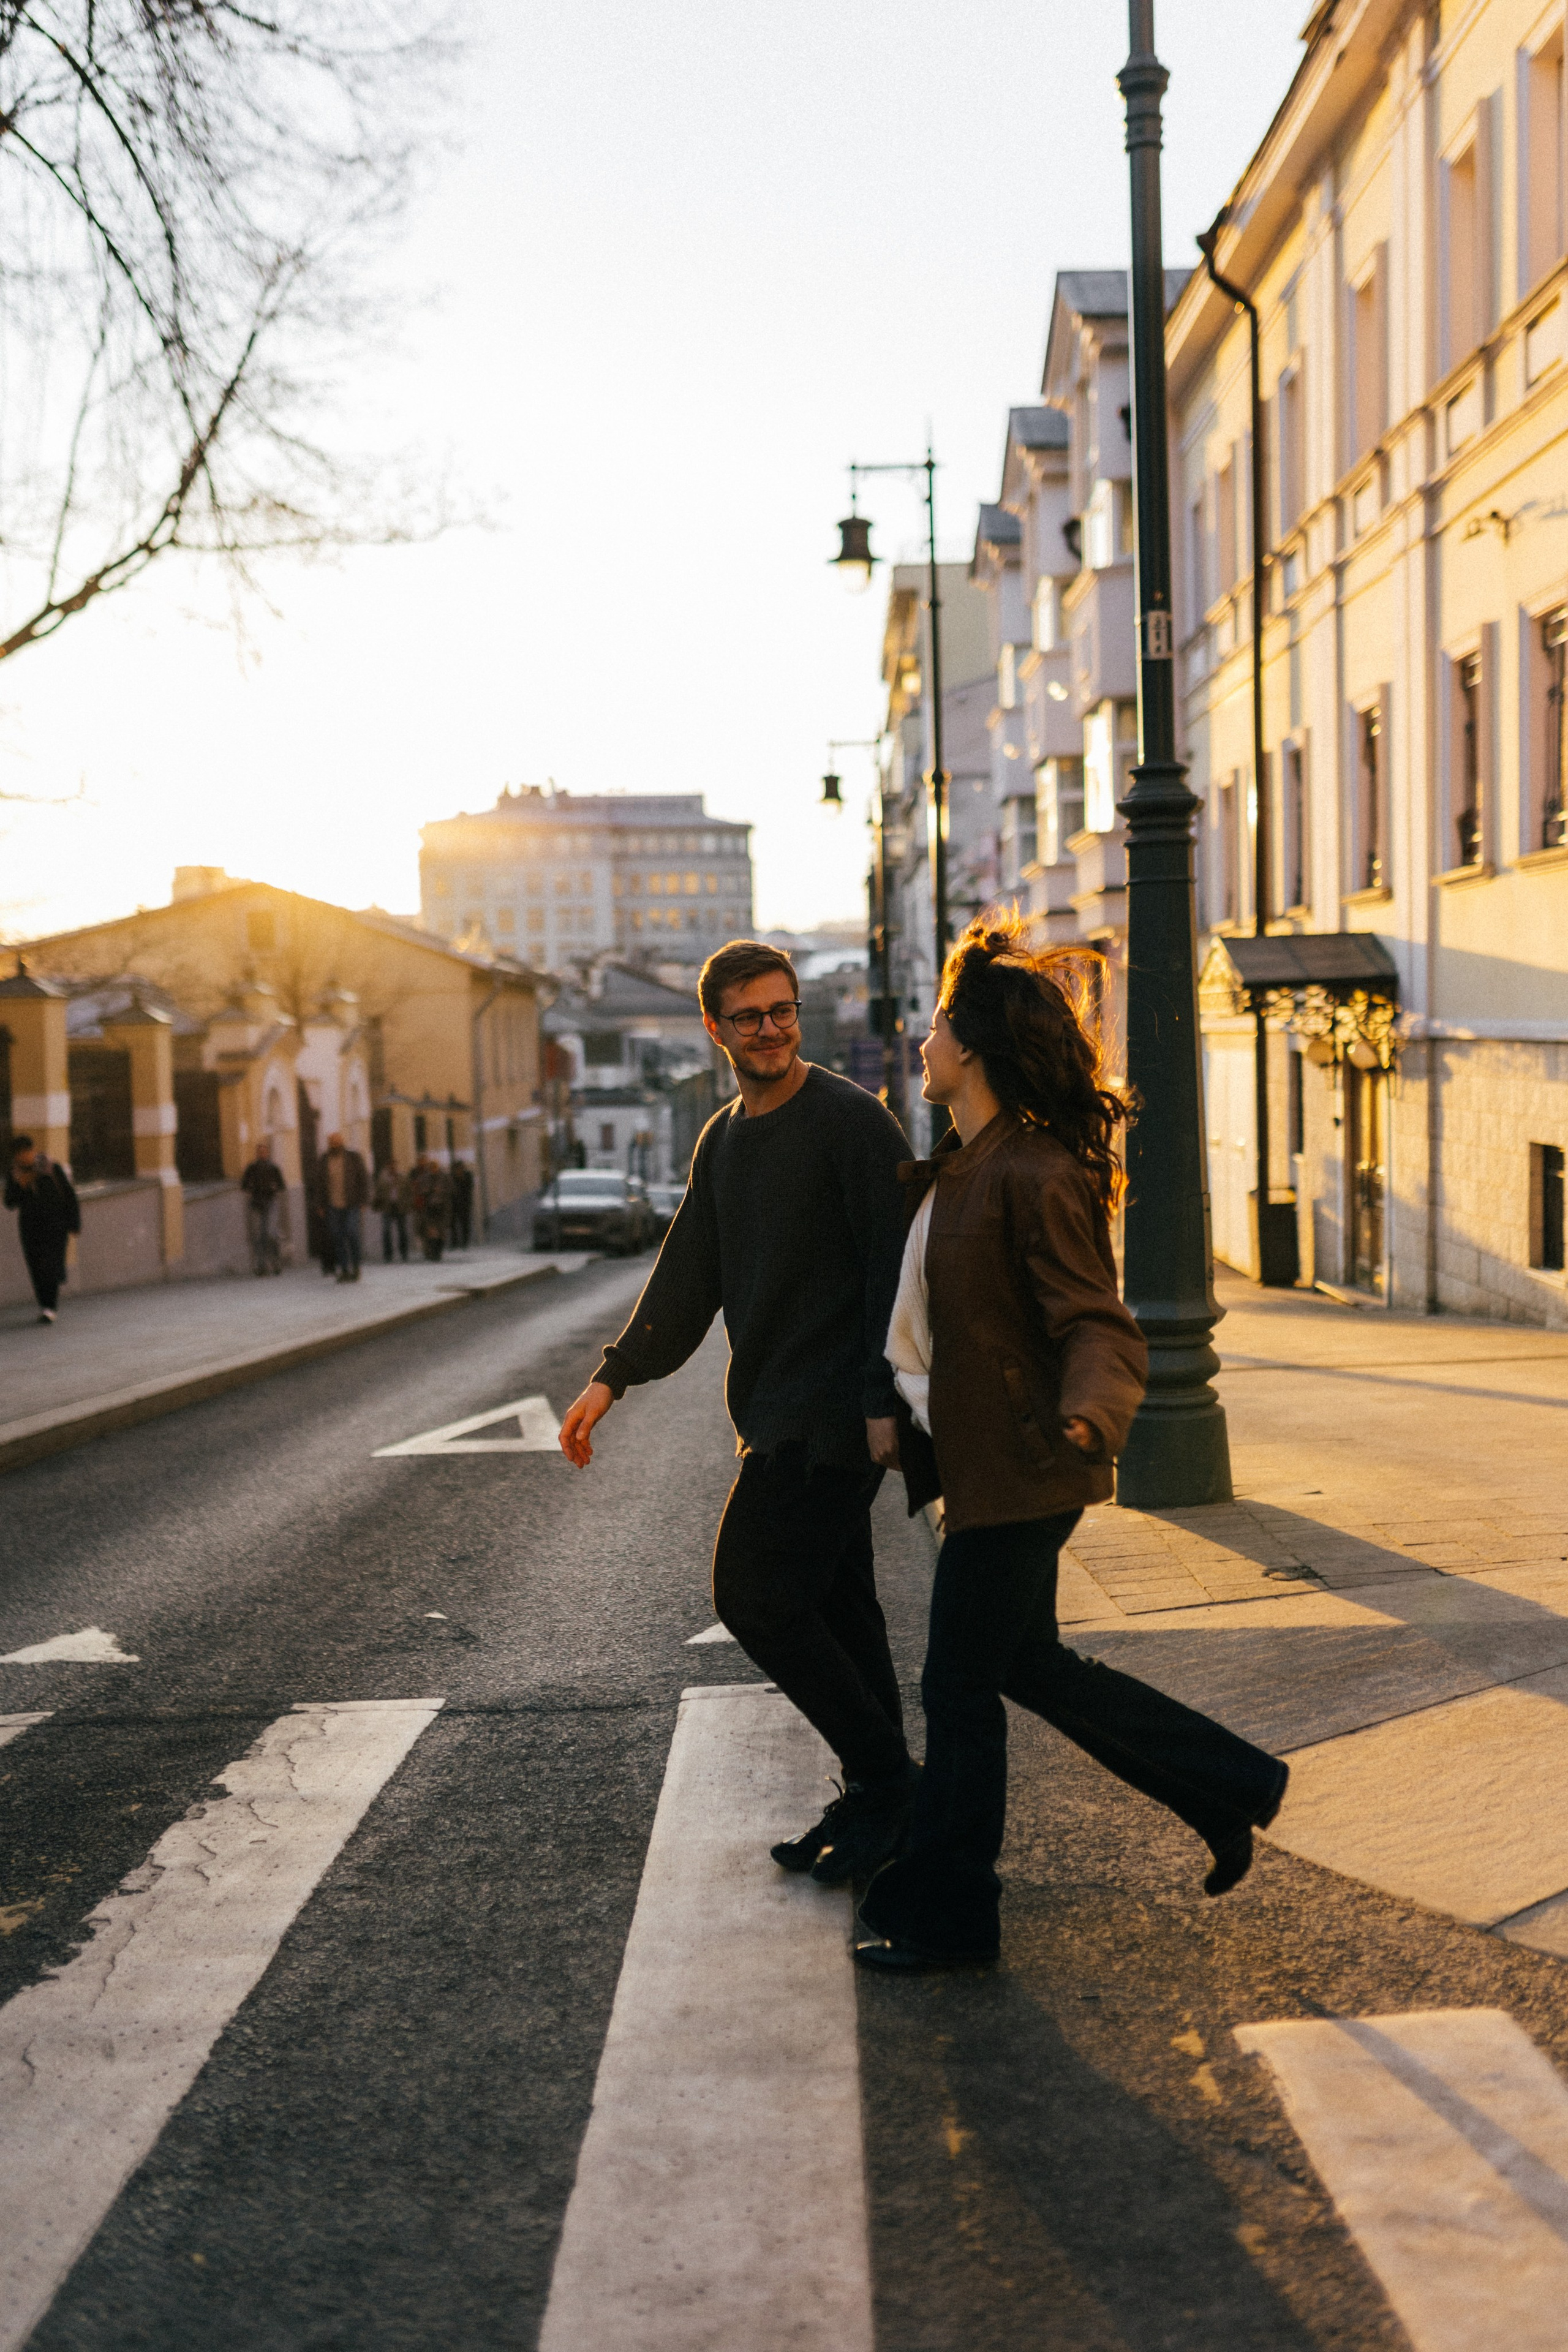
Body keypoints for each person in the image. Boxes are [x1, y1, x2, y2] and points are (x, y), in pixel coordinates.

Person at [853, 917, 1290, 1974]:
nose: (922, 1042)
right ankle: (1225, 1789)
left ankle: (953, 1915)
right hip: (995, 1462)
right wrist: (892, 1402)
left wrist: (1092, 1409)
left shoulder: (1034, 1171)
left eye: (938, 1026)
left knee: (958, 1689)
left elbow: (1095, 1319)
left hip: (1028, 1466)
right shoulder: (967, 1163)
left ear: (974, 1049)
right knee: (1029, 1667)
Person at [559, 937, 919, 1885]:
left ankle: (892, 1786)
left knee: (753, 1597)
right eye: (750, 1017)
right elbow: (689, 1271)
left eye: (783, 1011)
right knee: (843, 1614)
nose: (771, 1030)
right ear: (714, 1028)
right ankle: (880, 1805)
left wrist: (882, 1401)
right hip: (772, 1407)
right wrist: (612, 1377)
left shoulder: (853, 1123)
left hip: (831, 1418)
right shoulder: (724, 1138)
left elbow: (899, 1274)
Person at [4, 1136, 81, 1324]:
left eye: (26, 1152)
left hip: (56, 1226)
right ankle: (44, 1305)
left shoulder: (51, 1167)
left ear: (33, 1151)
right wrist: (21, 1186)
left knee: (51, 1265)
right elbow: (9, 1202)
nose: (24, 1157)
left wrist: (74, 1223)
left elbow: (69, 1195)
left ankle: (50, 1306)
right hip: (30, 1228)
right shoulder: (14, 1174)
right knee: (36, 1267)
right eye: (19, 1155)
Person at [313, 1129, 368, 1282]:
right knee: (337, 1237)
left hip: (352, 1203)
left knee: (352, 1233)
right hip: (332, 1205)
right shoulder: (324, 1160)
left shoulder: (353, 1157)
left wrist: (364, 1201)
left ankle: (356, 1267)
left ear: (342, 1142)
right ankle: (344, 1270)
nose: (335, 1144)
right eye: (332, 1142)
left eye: (337, 1142)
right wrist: (319, 1205)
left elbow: (363, 1179)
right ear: (329, 1144)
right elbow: (319, 1184)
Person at [240, 1141, 286, 1276]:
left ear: (268, 1153)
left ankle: (276, 1261)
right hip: (256, 1204)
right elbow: (244, 1185)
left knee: (271, 1233)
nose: (262, 1154)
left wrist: (274, 1188)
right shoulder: (252, 1168)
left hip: (271, 1202)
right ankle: (261, 1265)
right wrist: (251, 1189)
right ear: (257, 1153)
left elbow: (282, 1185)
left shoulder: (274, 1168)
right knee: (259, 1235)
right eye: (260, 1152)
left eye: (264, 1151)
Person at [409, 1154, 452, 1261]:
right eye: (432, 1167)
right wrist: (429, 1191)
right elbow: (420, 1190)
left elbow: (452, 1190)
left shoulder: (444, 1177)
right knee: (431, 1231)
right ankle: (433, 1253)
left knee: (441, 1232)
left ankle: (439, 1252)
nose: (433, 1169)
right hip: (429, 1208)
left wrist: (442, 1191)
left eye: (435, 1167)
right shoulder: (425, 1178)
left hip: (442, 1207)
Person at [372, 1160, 410, 1264]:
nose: (392, 1168)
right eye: (390, 1166)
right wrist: (376, 1205)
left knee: (402, 1231)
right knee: (386, 1231)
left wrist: (408, 1205)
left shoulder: (403, 1177)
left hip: (400, 1207)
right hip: (387, 1207)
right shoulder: (383, 1179)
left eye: (394, 1166)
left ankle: (404, 1253)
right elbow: (378, 1193)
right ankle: (388, 1254)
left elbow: (409, 1192)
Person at [450, 1158, 475, 1250]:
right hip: (454, 1204)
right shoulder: (452, 1177)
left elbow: (470, 1187)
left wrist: (462, 1179)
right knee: (453, 1225)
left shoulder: (468, 1175)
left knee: (465, 1224)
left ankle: (465, 1243)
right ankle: (455, 1243)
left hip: (465, 1204)